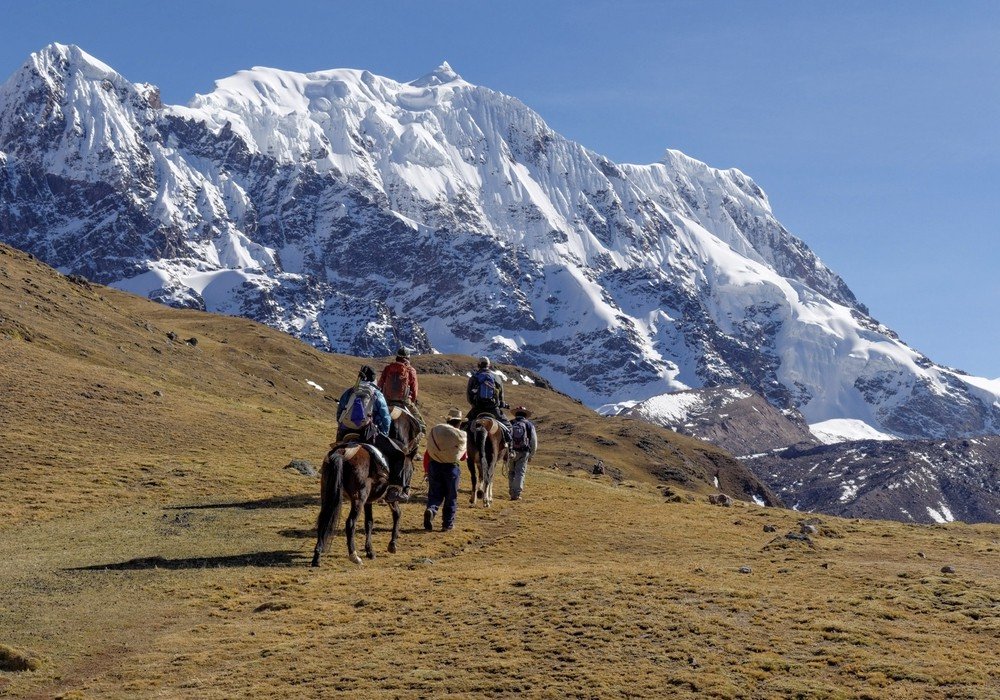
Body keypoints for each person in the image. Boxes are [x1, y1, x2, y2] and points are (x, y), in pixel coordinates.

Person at [336, 365, 407, 502]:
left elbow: (339, 413)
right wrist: (384, 434)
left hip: (345, 433)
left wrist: (344, 428)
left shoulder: (350, 391)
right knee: (399, 455)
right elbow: (385, 418)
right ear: (374, 378)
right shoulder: (376, 393)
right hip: (367, 434)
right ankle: (394, 489)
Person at [422, 408, 468, 532]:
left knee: (434, 494)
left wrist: (427, 470)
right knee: (451, 496)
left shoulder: (437, 432)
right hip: (451, 468)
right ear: (459, 423)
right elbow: (463, 457)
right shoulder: (460, 436)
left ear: (448, 420)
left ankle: (431, 510)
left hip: (434, 466)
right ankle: (447, 525)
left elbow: (428, 453)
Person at [377, 347, 425, 433]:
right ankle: (417, 442)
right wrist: (411, 402)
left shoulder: (388, 368)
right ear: (408, 357)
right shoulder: (410, 370)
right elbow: (414, 390)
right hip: (404, 401)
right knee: (421, 425)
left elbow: (380, 385)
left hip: (387, 400)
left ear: (397, 356)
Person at [465, 357, 511, 433]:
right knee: (508, 426)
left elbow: (469, 397)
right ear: (489, 365)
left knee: (464, 426)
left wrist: (474, 405)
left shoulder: (474, 378)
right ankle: (508, 443)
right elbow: (501, 398)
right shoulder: (496, 378)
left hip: (477, 409)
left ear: (478, 365)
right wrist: (500, 405)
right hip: (493, 409)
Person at [507, 406, 537, 501]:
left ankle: (511, 491)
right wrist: (531, 454)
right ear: (525, 415)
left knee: (511, 471)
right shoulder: (529, 425)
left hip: (511, 452)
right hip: (524, 452)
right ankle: (516, 494)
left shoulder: (510, 423)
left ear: (516, 414)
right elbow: (533, 441)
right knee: (520, 472)